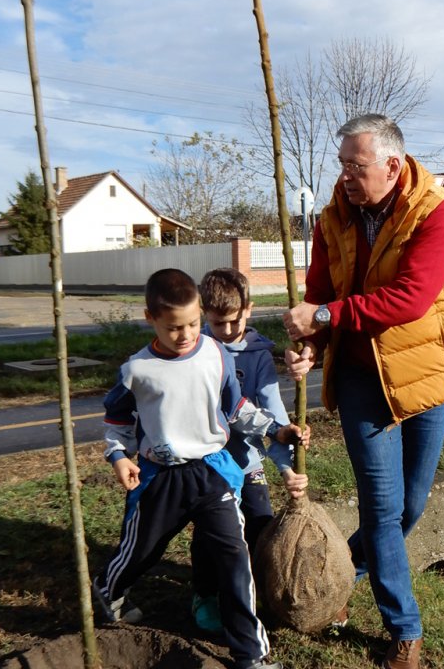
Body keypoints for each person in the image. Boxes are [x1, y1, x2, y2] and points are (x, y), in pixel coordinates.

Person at [282, 113, 444, 669]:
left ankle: (341, 571)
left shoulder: (439, 210)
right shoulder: (333, 217)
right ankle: (405, 629)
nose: (345, 176)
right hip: (363, 376)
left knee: (409, 506)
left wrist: (321, 313)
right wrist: (310, 341)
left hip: (429, 375)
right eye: (341, 164)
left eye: (355, 166)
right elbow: (321, 288)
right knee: (383, 506)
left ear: (393, 166)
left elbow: (409, 299)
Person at [92, 268, 308, 669]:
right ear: (150, 318)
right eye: (174, 327)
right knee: (142, 550)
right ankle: (108, 587)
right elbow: (116, 421)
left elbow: (237, 408)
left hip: (213, 473)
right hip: (161, 478)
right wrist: (119, 456)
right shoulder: (137, 370)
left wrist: (276, 430)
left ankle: (251, 654)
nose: (187, 334)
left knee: (234, 558)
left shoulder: (216, 354)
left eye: (193, 323)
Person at [190, 268, 308, 632]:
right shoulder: (197, 350)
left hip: (247, 463)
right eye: (216, 323)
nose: (226, 331)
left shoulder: (258, 356)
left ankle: (254, 593)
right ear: (203, 316)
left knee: (259, 525)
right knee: (209, 533)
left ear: (249, 310)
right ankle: (206, 593)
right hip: (207, 463)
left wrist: (288, 469)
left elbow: (275, 417)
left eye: (234, 321)